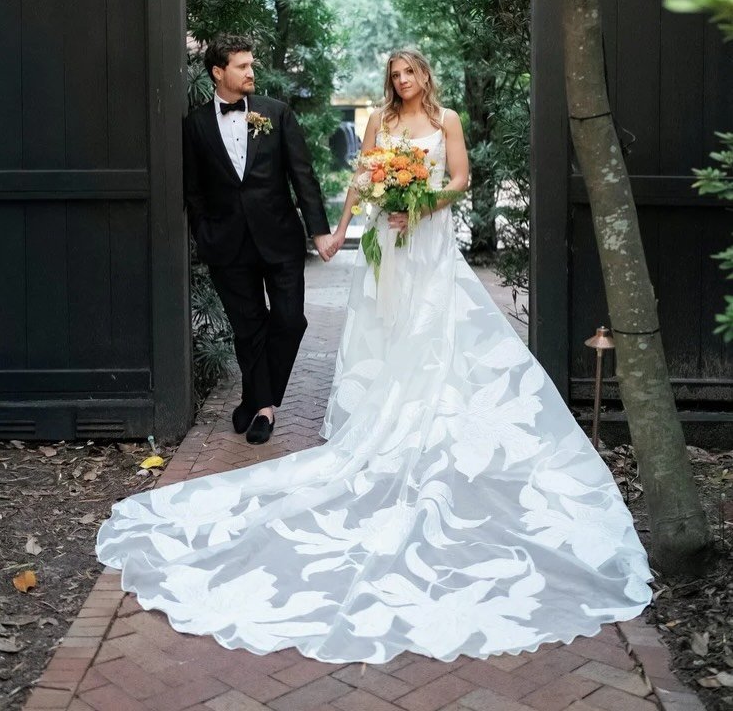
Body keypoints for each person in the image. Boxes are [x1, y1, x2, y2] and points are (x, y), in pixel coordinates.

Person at [97, 49, 651, 665]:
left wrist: (423, 203)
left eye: (409, 74)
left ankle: (424, 418)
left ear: (425, 76)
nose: (401, 83)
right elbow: (361, 180)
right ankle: (339, 411)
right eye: (394, 77)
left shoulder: (448, 122)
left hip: (429, 242)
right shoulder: (378, 125)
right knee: (385, 334)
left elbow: (462, 180)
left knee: (433, 334)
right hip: (388, 245)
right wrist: (336, 231)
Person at [182, 35, 334, 445]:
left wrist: (319, 231)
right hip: (227, 245)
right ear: (219, 72)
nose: (251, 72)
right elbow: (193, 191)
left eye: (252, 65)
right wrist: (205, 233)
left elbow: (303, 175)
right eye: (242, 66)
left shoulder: (277, 113)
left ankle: (253, 395)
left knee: (289, 319)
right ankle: (264, 410)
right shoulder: (194, 124)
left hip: (279, 239)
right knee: (248, 328)